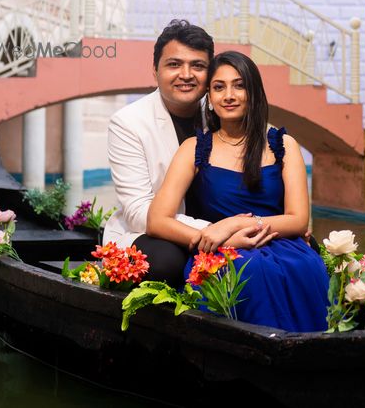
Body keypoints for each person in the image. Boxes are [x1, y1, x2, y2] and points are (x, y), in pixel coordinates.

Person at [147, 50, 329, 332]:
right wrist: (218, 239)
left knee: (305, 267)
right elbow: (157, 221)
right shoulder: (195, 149)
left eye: (239, 85)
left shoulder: (283, 145)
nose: (228, 95)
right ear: (209, 96)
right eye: (219, 87)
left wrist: (238, 223)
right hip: (223, 253)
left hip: (282, 243)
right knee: (251, 271)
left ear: (254, 92)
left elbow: (297, 219)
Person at [104, 20, 271, 286]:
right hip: (153, 231)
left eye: (198, 66)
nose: (186, 74)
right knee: (168, 262)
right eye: (174, 64)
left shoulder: (224, 107)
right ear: (155, 70)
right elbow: (139, 212)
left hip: (227, 224)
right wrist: (216, 233)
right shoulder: (128, 122)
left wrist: (279, 223)